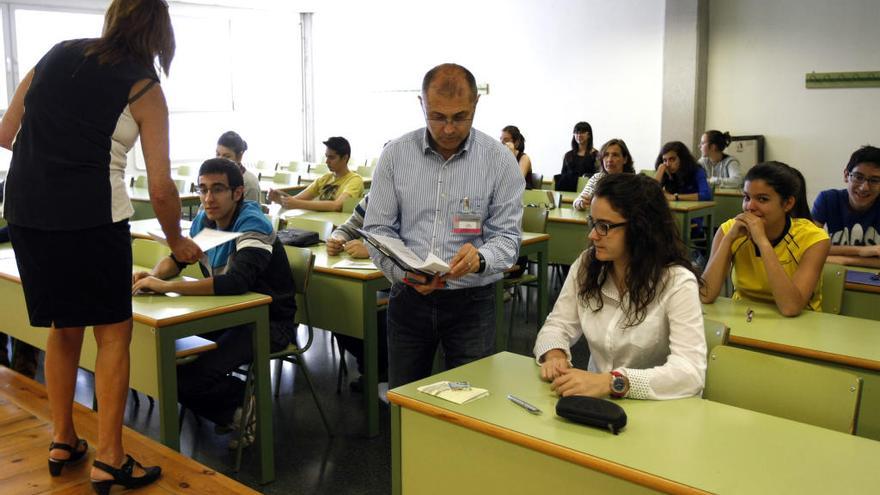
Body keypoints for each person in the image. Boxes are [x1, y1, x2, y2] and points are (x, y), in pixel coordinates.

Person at [0, 0, 202, 491]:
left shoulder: (55, 54)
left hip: (26, 211)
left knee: (63, 325)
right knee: (113, 332)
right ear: (159, 32)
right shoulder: (144, 87)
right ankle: (110, 456)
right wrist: (177, 240)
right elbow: (160, 187)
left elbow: (6, 135)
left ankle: (63, 438)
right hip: (91, 215)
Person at [364, 63, 524, 388]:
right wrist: (404, 273)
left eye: (460, 117)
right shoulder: (395, 156)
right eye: (437, 117)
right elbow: (377, 230)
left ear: (476, 104)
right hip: (408, 297)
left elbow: (508, 239)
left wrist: (480, 259)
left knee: (469, 403)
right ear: (421, 105)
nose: (449, 129)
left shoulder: (499, 161)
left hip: (472, 302)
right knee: (405, 400)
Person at [132, 158, 296, 448]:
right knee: (162, 362)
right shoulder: (204, 221)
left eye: (217, 189)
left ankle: (239, 405)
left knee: (184, 379)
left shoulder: (253, 222)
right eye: (203, 189)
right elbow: (178, 259)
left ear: (237, 193)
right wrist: (153, 276)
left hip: (267, 322)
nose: (208, 198)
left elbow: (236, 283)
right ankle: (234, 406)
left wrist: (168, 288)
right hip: (225, 317)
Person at [534, 174, 706, 400]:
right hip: (598, 403)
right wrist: (554, 354)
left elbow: (690, 372)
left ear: (641, 229)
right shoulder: (588, 265)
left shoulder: (677, 281)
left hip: (661, 408)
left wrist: (613, 381)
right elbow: (557, 324)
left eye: (604, 226)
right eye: (593, 222)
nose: (592, 235)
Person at [701, 162, 830, 316]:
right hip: (745, 317)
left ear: (788, 203)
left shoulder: (814, 239)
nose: (750, 206)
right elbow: (705, 295)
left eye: (762, 199)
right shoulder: (729, 230)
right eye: (747, 197)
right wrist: (728, 240)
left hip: (799, 326)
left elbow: (791, 308)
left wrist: (762, 242)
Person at [325, 194, 390, 390]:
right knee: (338, 309)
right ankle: (373, 367)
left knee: (375, 314)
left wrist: (371, 249)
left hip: (403, 279)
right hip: (371, 275)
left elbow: (412, 241)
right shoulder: (375, 196)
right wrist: (337, 238)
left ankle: (380, 368)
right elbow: (350, 225)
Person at [812, 145, 880, 268]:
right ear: (846, 175)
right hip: (834, 274)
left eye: (874, 180)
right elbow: (808, 247)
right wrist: (861, 251)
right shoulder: (828, 199)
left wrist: (843, 260)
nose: (864, 187)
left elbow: (817, 252)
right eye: (858, 177)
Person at [267, 136, 363, 212]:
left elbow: (337, 205)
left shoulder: (354, 180)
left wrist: (296, 203)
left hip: (337, 229)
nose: (327, 161)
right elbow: (296, 200)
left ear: (345, 158)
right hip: (320, 222)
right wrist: (279, 199)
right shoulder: (324, 179)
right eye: (326, 157)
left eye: (332, 157)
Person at [572, 138, 634, 210]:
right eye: (606, 155)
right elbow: (577, 202)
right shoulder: (597, 178)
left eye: (615, 155)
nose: (609, 160)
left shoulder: (632, 182)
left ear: (625, 159)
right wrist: (581, 203)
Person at [216, 130, 260, 203]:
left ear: (240, 156)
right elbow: (203, 211)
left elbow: (249, 213)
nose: (220, 160)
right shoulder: (215, 177)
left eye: (226, 156)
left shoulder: (249, 183)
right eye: (217, 154)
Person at [556, 121, 599, 191]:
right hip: (568, 190)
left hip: (587, 191)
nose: (579, 135)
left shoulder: (596, 155)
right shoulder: (568, 155)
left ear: (589, 135)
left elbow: (598, 176)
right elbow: (563, 175)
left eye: (582, 132)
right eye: (576, 133)